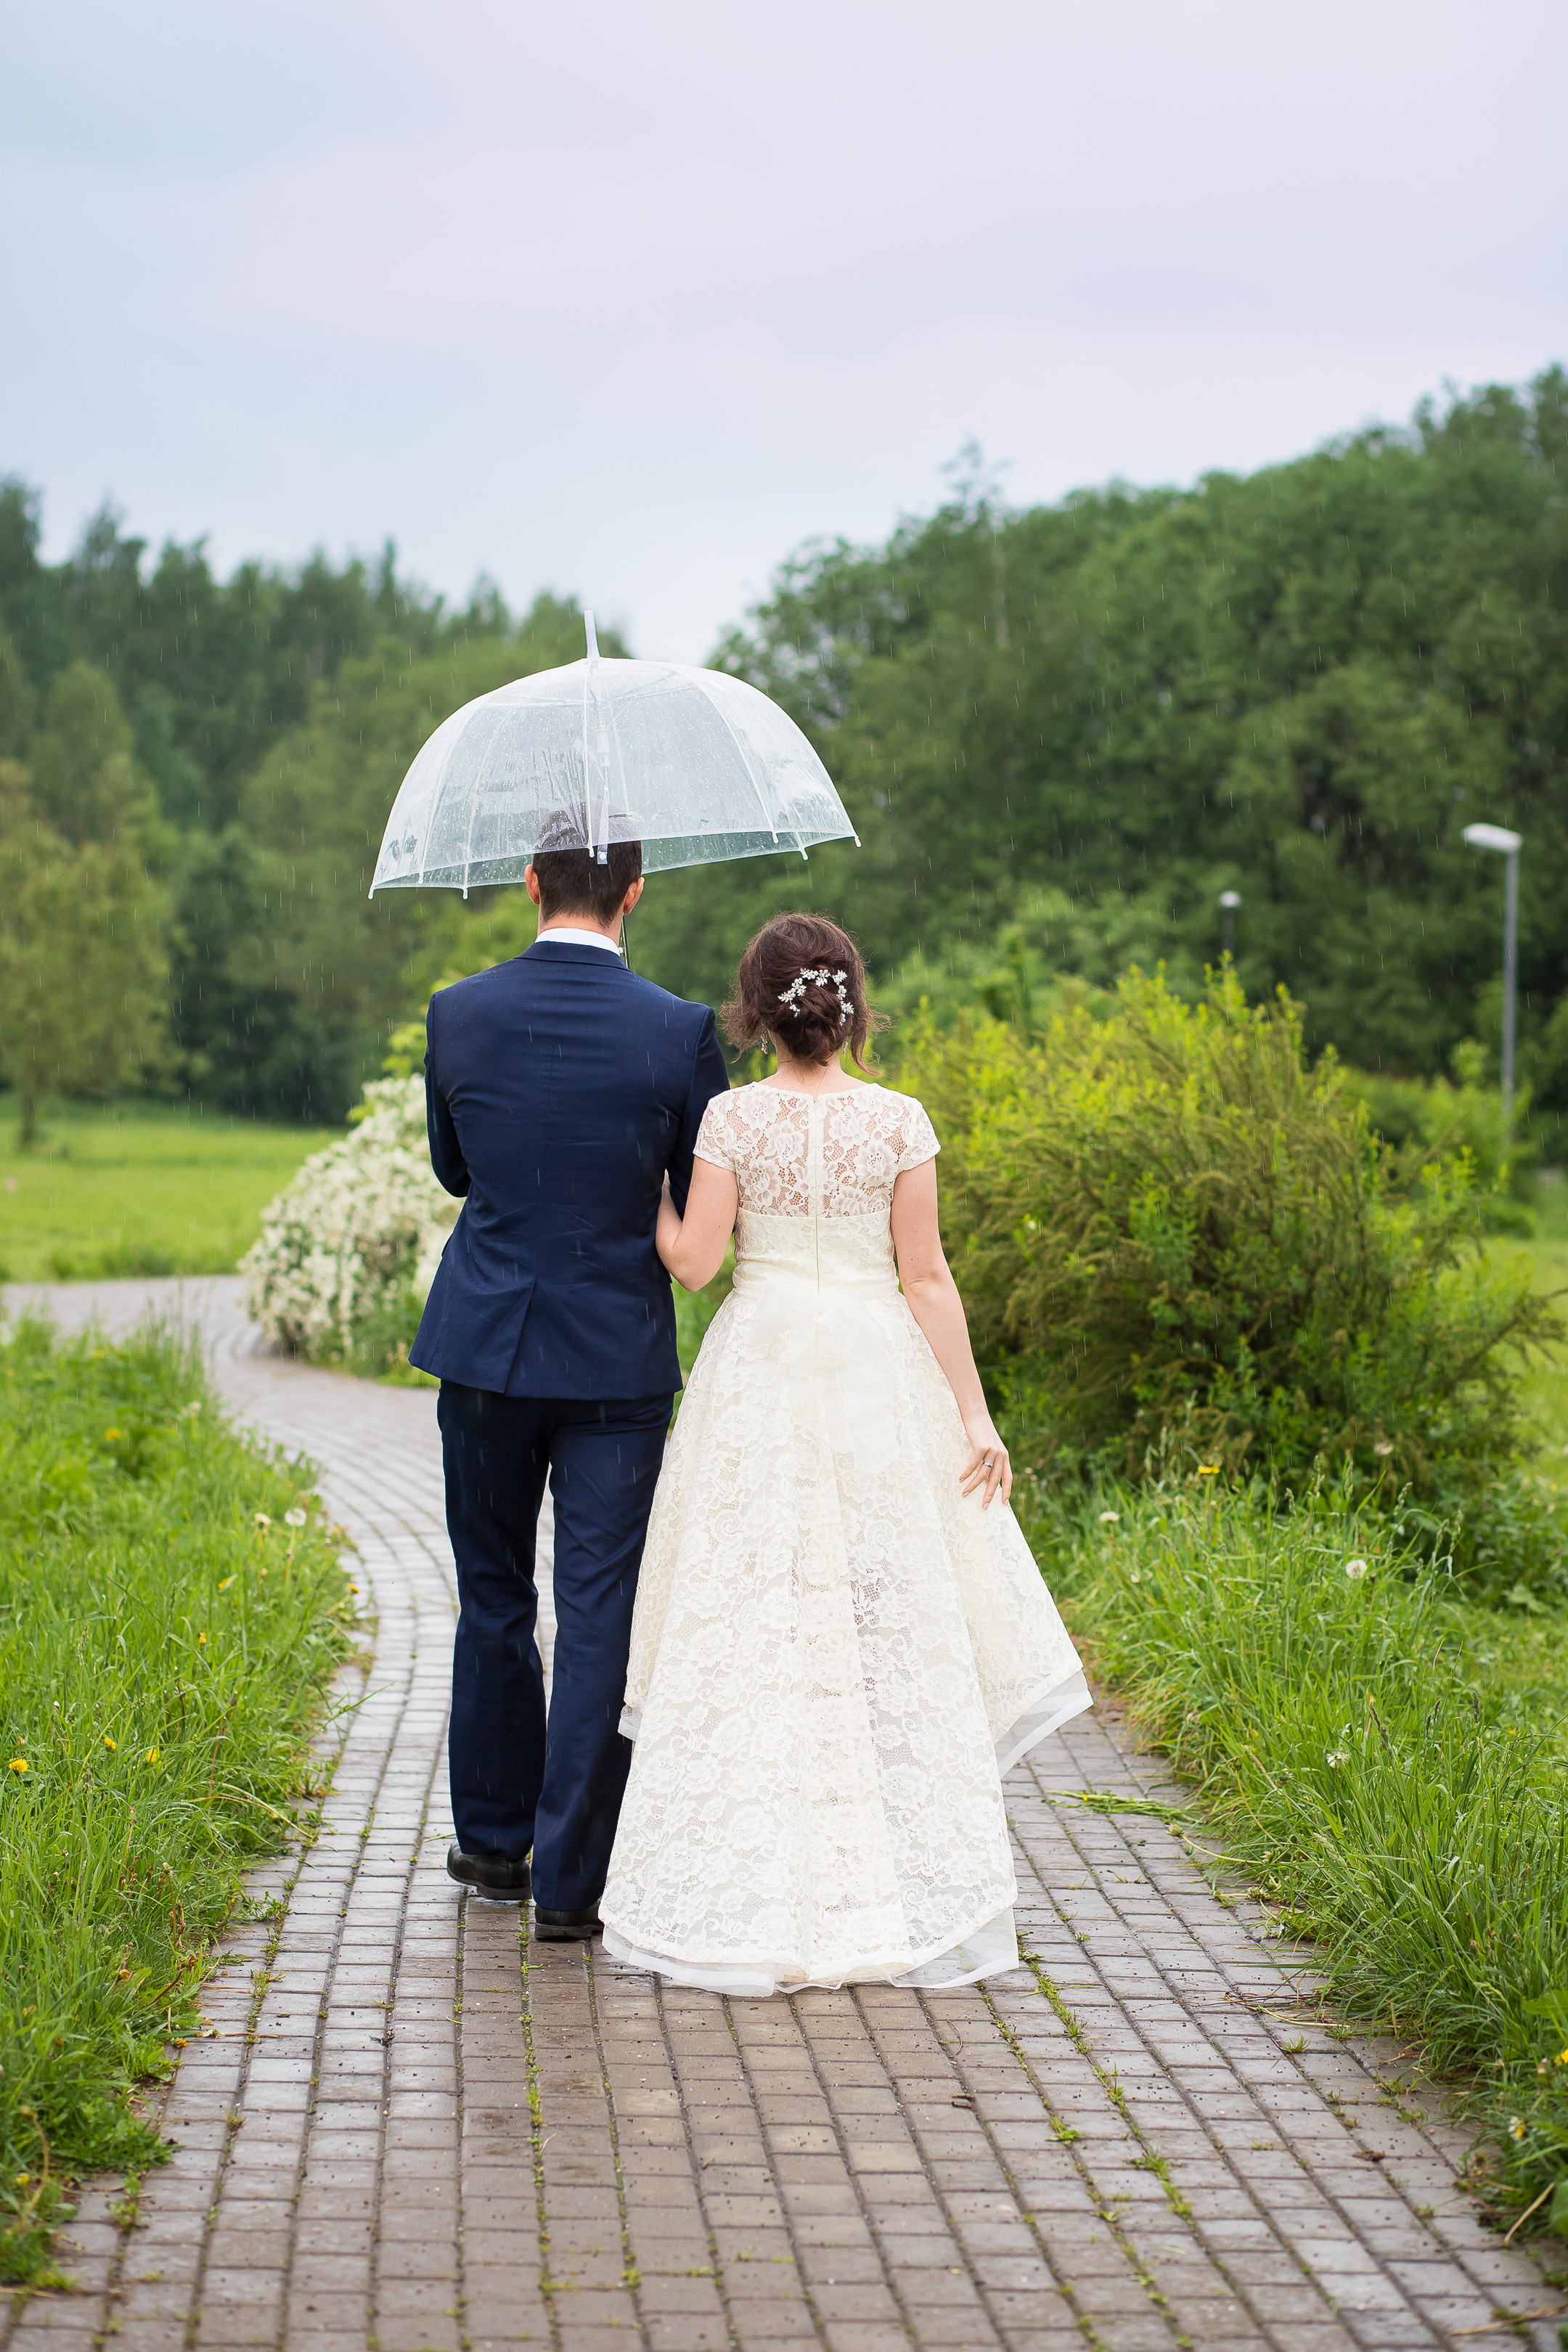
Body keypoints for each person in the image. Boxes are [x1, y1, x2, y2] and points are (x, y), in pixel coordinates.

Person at [600, 912, 1091, 1993]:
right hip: (875, 1370)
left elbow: (691, 1264)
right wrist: (975, 1417)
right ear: (850, 1004)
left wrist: (653, 1184)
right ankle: (889, 1880)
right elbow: (927, 1279)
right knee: (886, 1611)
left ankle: (753, 1878)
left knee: (755, 1613)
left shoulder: (730, 1118)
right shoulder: (900, 1121)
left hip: (763, 1367)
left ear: (753, 1012)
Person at [412, 818, 729, 1936]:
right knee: (601, 1612)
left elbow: (456, 1170)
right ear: (634, 893)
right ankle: (571, 1883)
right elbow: (698, 1197)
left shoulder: (460, 1013)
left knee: (494, 1597)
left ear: (531, 880)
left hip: (489, 1351)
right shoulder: (679, 1031)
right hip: (616, 1363)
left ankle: (494, 1848)